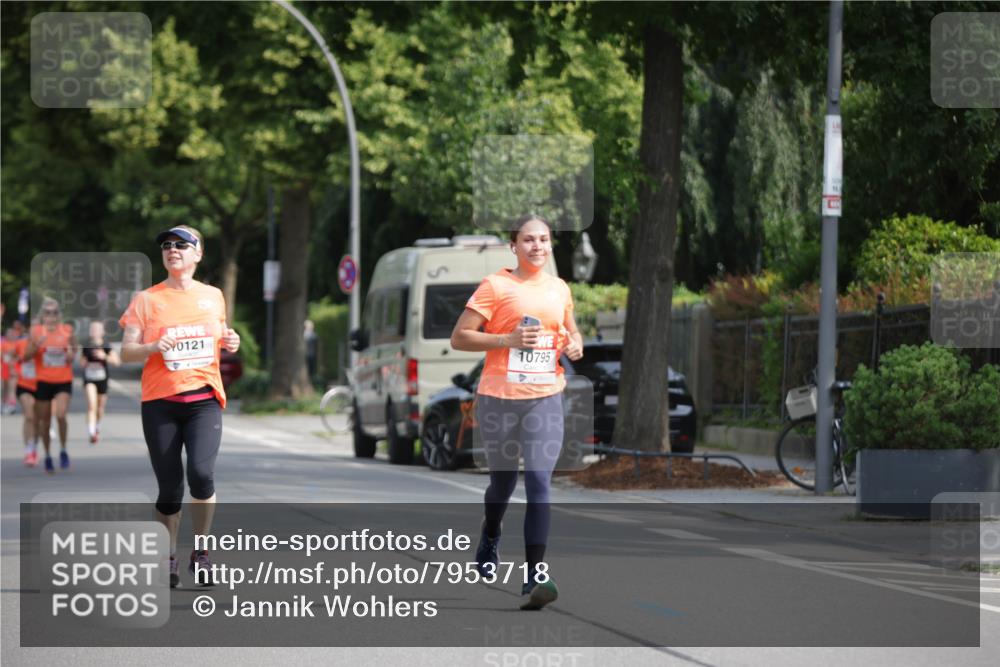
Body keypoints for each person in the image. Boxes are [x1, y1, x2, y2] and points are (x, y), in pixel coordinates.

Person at [450, 214, 583, 610]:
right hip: (500, 399)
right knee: (503, 485)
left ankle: (534, 575)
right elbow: (460, 337)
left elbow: (570, 330)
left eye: (543, 239)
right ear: (514, 246)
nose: (536, 246)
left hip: (546, 397)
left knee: (540, 481)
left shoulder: (560, 288)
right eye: (528, 240)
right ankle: (491, 531)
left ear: (550, 245)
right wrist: (507, 339)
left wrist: (575, 343)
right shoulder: (495, 286)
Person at [119, 225, 240, 589]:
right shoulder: (146, 300)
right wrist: (152, 347)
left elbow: (220, 336)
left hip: (204, 399)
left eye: (181, 245)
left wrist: (230, 340)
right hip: (160, 403)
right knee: (170, 488)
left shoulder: (213, 296)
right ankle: (168, 554)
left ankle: (200, 553)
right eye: (167, 246)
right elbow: (126, 352)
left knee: (202, 475)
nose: (172, 250)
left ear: (197, 254)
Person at [24, 298, 78, 473]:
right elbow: (25, 356)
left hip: (63, 380)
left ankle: (63, 450)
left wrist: (71, 355)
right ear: (42, 315)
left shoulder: (67, 330)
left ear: (58, 314)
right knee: (44, 421)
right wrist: (36, 345)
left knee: (61, 415)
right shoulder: (36, 331)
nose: (51, 316)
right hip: (43, 381)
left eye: (54, 312)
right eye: (47, 313)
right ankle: (47, 455)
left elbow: (74, 350)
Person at [80, 320, 120, 444]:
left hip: (102, 379)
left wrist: (104, 356)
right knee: (92, 405)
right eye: (92, 329)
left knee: (100, 408)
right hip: (89, 379)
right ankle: (91, 432)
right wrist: (85, 362)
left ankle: (97, 426)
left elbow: (117, 362)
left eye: (97, 329)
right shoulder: (86, 345)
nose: (94, 331)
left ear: (102, 332)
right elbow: (82, 362)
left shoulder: (106, 345)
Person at [14, 329, 39, 466]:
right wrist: (14, 367)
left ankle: (34, 446)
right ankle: (28, 450)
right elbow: (13, 357)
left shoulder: (45, 345)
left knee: (37, 419)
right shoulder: (20, 344)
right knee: (29, 416)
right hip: (23, 384)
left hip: (40, 386)